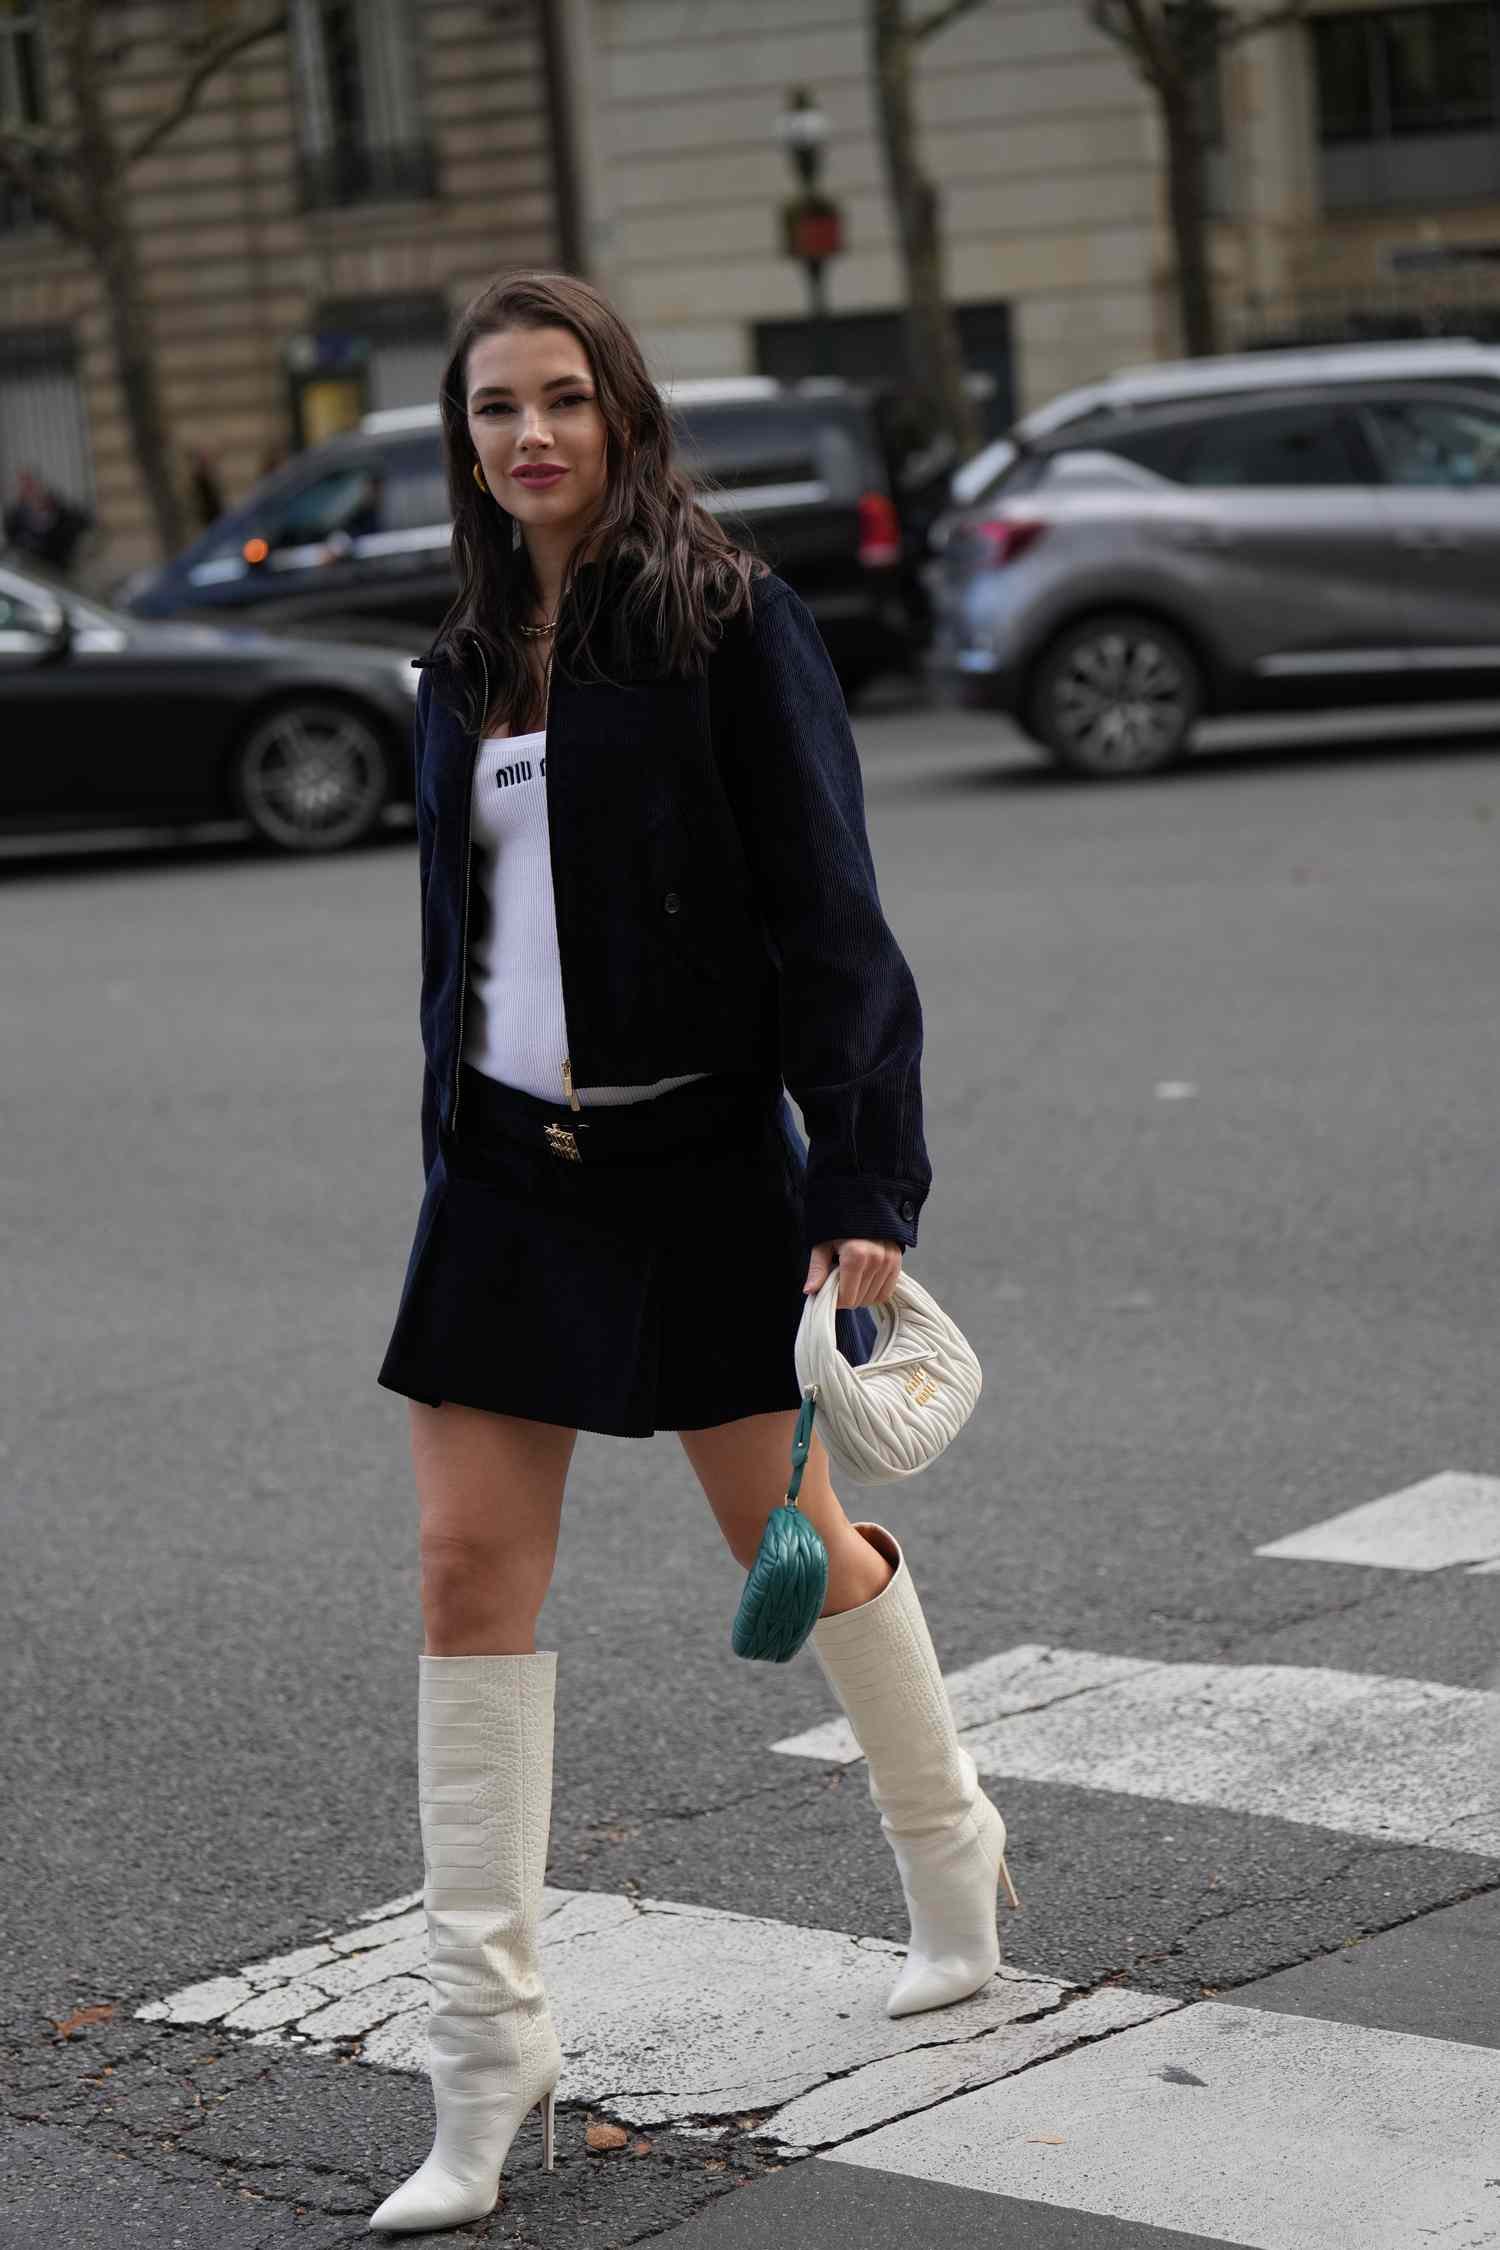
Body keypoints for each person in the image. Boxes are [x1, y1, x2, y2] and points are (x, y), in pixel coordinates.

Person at [367, 270, 1017, 2236]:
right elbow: (459, 948)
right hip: (506, 1180)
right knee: (469, 1569)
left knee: (787, 1544)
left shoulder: (729, 623)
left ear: (622, 415)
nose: (530, 437)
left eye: (563, 399)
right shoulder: (462, 662)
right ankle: (483, 2060)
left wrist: (863, 1200)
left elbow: (837, 918)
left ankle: (950, 1844)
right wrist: (447, 1142)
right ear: (464, 442)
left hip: (709, 1166)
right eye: (495, 411)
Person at [2, 467, 90, 573]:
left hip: (62, 571)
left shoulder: (62, 511)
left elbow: (83, 525)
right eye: (24, 488)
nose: (30, 491)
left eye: (31, 485)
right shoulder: (14, 520)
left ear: (40, 486)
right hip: (33, 573)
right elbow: (13, 547)